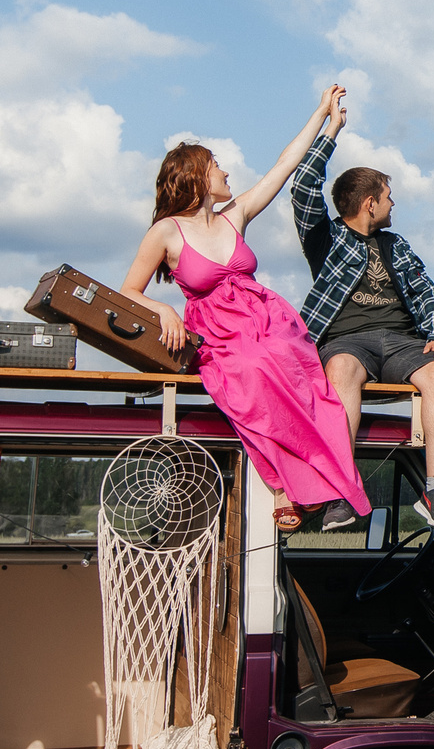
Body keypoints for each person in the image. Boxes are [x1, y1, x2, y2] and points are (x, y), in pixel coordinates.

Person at [117, 87, 372, 535]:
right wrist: (165, 311)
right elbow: (127, 292)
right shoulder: (165, 232)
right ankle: (282, 487)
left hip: (269, 320)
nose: (226, 171)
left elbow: (285, 164)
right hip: (218, 332)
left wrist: (323, 118)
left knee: (304, 381)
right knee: (251, 376)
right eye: (217, 166)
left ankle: (324, 488)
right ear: (196, 176)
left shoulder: (236, 215)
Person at [289, 93, 434, 536]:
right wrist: (331, 129)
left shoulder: (397, 245)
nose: (393, 204)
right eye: (388, 196)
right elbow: (303, 184)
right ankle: (340, 492)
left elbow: (426, 290)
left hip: (402, 342)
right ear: (369, 202)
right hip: (347, 341)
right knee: (342, 369)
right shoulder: (325, 238)